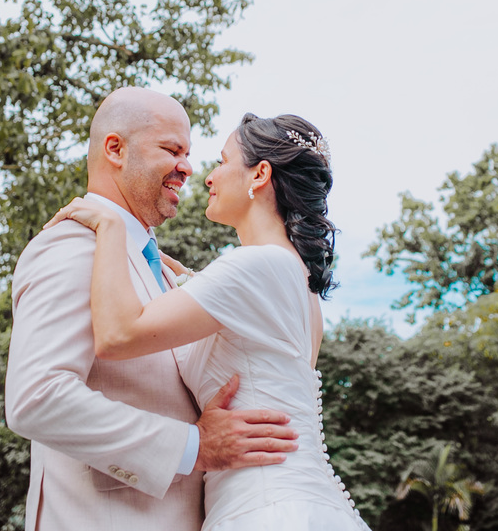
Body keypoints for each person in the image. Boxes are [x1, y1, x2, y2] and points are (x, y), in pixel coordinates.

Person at [49, 112, 370, 530]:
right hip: (297, 498)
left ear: (259, 175)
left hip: (265, 508)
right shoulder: (299, 285)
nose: (208, 177)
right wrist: (174, 273)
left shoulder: (256, 266)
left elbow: (117, 336)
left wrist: (109, 225)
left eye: (222, 161)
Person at [5, 88, 299, 531]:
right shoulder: (72, 246)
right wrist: (192, 446)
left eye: (190, 153)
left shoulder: (155, 267)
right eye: (171, 149)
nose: (188, 168)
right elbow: (36, 397)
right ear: (116, 149)